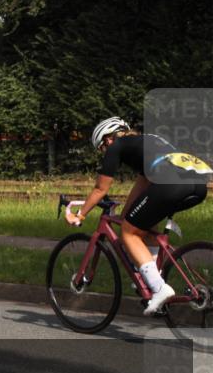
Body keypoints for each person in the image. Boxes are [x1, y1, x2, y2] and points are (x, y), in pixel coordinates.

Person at [66, 117, 210, 315]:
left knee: (128, 234)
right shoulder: (147, 142)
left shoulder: (116, 146)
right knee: (140, 228)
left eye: (101, 148)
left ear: (107, 139)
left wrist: (80, 215)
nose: (104, 152)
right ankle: (152, 280)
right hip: (197, 186)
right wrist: (126, 215)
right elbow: (142, 186)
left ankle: (160, 289)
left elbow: (100, 188)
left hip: (170, 185)